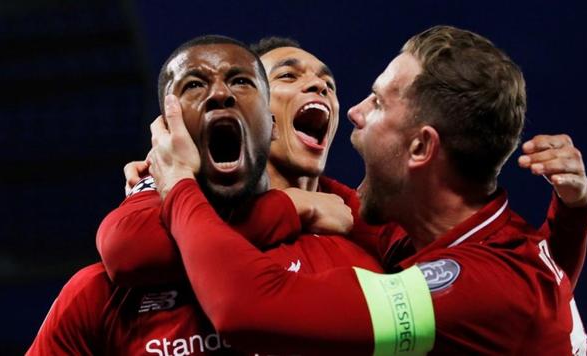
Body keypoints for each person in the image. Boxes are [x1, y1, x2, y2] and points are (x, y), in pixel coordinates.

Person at [145, 26, 587, 354]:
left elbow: (249, 309)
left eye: (378, 102)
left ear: (421, 147)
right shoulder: (458, 236)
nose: (356, 113)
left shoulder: (475, 288)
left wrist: (179, 184)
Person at [27, 35, 382, 355]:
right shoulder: (101, 293)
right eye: (195, 85)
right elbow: (125, 245)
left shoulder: (355, 263)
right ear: (167, 131)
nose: (220, 94)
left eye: (241, 82)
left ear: (270, 125)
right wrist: (289, 205)